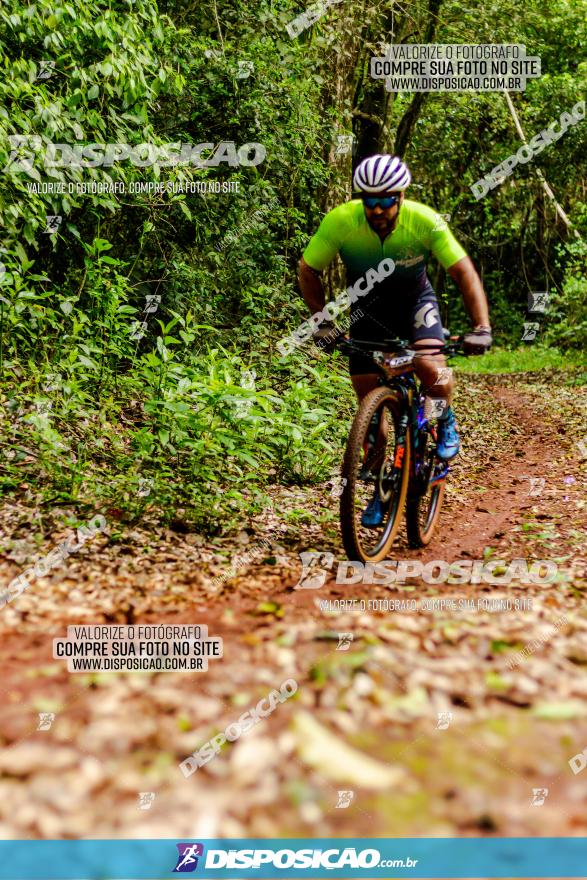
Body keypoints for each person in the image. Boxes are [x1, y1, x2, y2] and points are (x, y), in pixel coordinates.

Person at [297, 154, 492, 527]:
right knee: (371, 418)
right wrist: (322, 321)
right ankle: (379, 490)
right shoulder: (341, 221)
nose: (377, 209)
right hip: (368, 312)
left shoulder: (425, 221)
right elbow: (309, 270)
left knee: (430, 368)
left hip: (416, 305)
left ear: (401, 197)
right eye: (369, 200)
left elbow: (462, 272)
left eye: (386, 200)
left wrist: (480, 326)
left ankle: (443, 417)